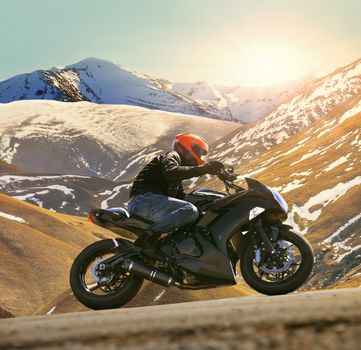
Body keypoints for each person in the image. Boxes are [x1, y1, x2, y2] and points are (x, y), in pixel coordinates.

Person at [127, 133, 224, 259]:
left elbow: (180, 196)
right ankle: (147, 238)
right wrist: (203, 169)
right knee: (190, 211)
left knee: (191, 213)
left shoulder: (175, 176)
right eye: (200, 153)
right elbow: (171, 173)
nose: (201, 158)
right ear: (189, 148)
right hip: (143, 200)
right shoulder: (172, 156)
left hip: (149, 203)